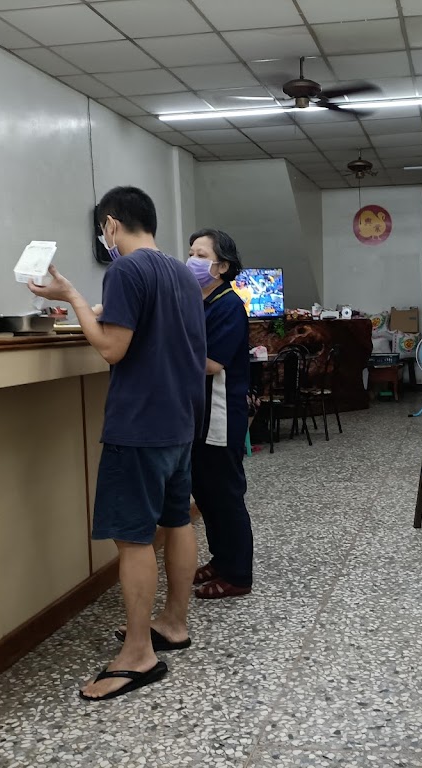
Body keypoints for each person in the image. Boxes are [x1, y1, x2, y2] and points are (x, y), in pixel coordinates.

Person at [28, 187, 206, 701]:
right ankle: (173, 623)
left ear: (110, 225)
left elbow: (111, 348)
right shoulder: (180, 271)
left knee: (133, 538)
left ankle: (137, 655)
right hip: (177, 420)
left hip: (140, 424)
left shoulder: (126, 270)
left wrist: (74, 299)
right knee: (176, 520)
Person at [185, 228, 254, 599]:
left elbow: (212, 364)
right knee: (206, 492)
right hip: (199, 414)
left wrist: (166, 350)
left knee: (225, 493)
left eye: (200, 255)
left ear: (221, 266)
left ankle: (238, 574)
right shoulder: (201, 301)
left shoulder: (228, 305)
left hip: (220, 414)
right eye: (191, 253)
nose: (192, 260)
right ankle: (222, 557)